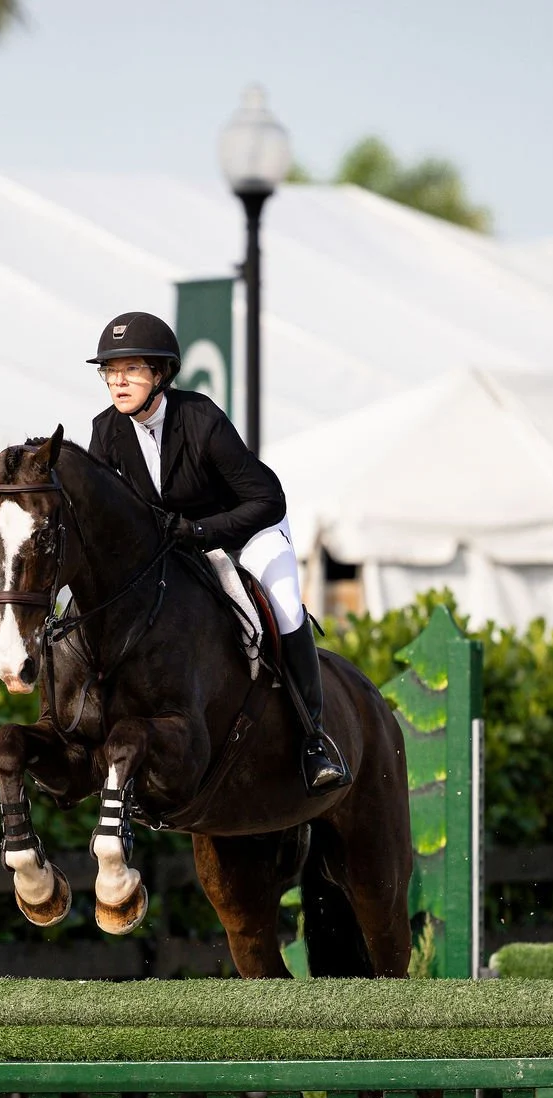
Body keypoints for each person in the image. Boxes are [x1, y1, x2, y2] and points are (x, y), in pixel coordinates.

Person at [85, 310, 349, 792]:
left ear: (160, 374)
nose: (118, 382)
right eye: (110, 372)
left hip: (247, 533)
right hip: (176, 547)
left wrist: (201, 529)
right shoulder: (106, 432)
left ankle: (315, 740)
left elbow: (268, 500)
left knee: (287, 609)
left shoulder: (200, 418)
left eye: (131, 370)